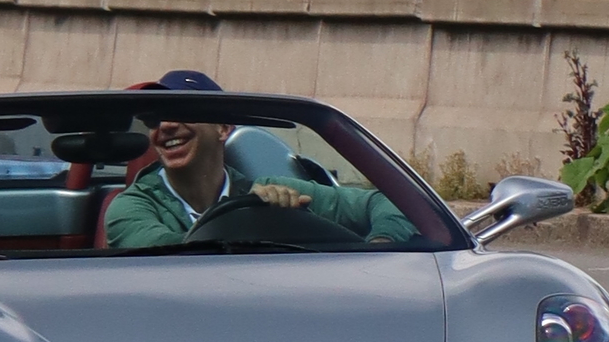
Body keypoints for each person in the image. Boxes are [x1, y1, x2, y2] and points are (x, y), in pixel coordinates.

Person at [102, 72, 419, 249]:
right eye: (156, 118)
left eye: (184, 111)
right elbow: (173, 255)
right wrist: (264, 222)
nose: (166, 126)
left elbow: (393, 203)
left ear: (223, 128)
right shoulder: (130, 207)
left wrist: (380, 245)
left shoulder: (266, 189)